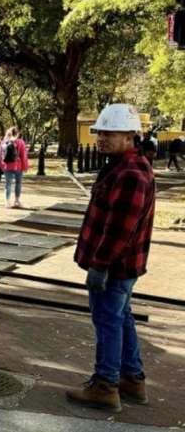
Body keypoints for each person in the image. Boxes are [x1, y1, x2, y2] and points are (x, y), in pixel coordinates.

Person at [65, 104, 155, 413]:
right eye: (100, 132)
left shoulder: (129, 173)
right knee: (121, 317)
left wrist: (99, 266)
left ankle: (105, 385)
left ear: (129, 135)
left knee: (108, 321)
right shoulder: (124, 165)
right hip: (122, 266)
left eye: (109, 133)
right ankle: (132, 378)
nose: (101, 138)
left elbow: (119, 230)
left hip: (114, 267)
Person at [0, 126, 29, 208]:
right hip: (18, 166)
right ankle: (17, 201)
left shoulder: (3, 142)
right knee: (18, 183)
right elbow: (24, 156)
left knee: (8, 184)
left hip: (7, 166)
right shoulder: (20, 142)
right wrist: (25, 166)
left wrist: (1, 165)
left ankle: (7, 202)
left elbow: (0, 155)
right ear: (17, 133)